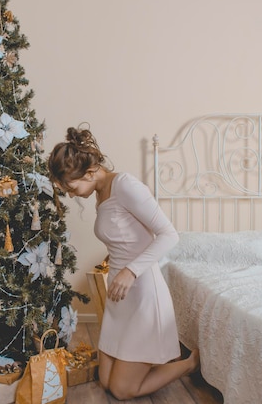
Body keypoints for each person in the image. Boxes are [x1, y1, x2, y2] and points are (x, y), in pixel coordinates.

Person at [47, 126, 200, 400]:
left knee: (120, 389)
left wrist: (131, 270)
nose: (71, 195)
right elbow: (127, 237)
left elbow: (168, 235)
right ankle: (142, 362)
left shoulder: (125, 185)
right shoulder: (100, 192)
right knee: (105, 380)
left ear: (91, 172)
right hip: (120, 295)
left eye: (71, 187)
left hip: (141, 291)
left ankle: (188, 365)